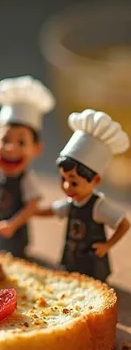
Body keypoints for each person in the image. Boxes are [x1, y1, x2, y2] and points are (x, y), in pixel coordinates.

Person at [0, 75, 55, 258]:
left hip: (15, 233)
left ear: (37, 149)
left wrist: (13, 224)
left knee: (15, 258)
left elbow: (32, 206)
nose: (11, 148)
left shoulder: (27, 179)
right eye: (5, 140)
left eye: (21, 142)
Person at [36, 109, 130, 281]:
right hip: (72, 260)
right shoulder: (71, 203)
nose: (66, 186)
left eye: (73, 182)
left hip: (93, 263)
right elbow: (53, 210)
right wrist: (32, 212)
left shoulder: (98, 206)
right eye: (63, 179)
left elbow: (124, 223)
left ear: (95, 180)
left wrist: (107, 245)